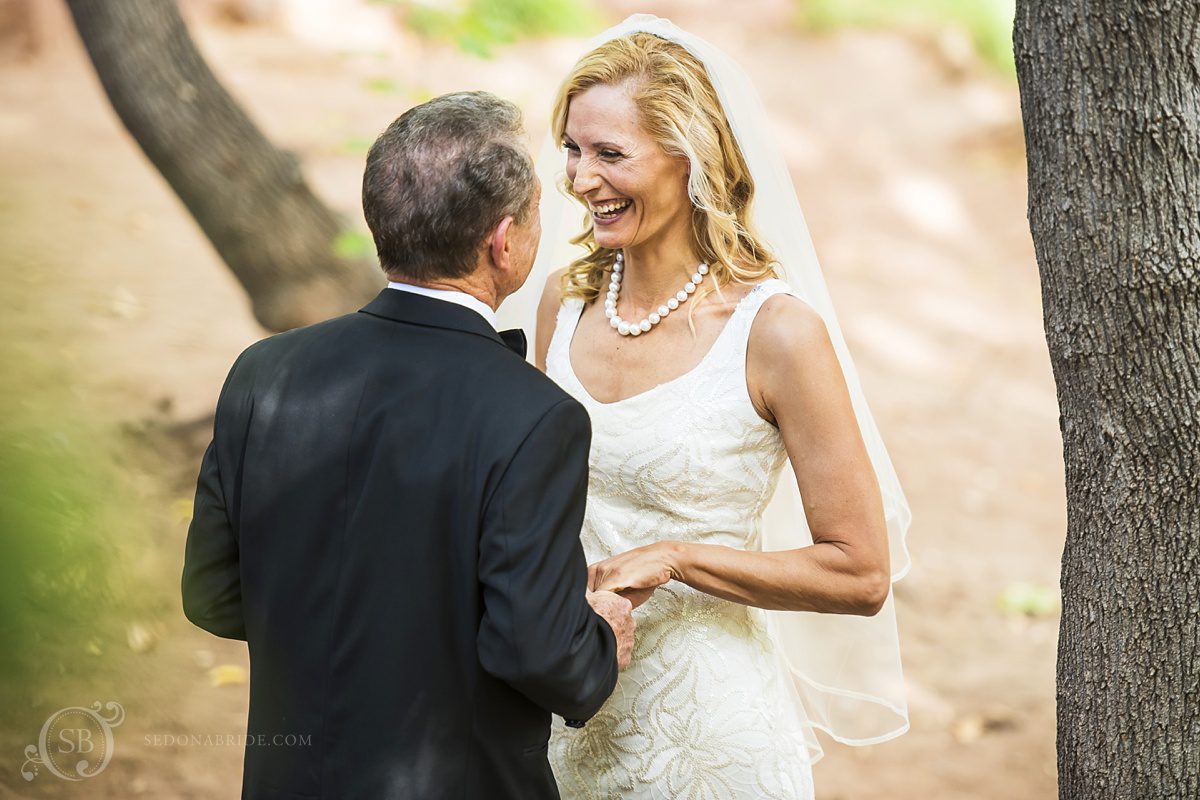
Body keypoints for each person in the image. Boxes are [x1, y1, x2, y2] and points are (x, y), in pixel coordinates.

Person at [181, 91, 635, 800]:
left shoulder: (262, 372)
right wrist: (601, 635)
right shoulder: (534, 415)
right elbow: (537, 651)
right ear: (503, 239)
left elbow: (212, 593)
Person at [511, 15, 914, 799]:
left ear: (690, 159)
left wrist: (677, 557)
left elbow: (862, 573)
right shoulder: (563, 303)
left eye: (610, 154)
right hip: (566, 717)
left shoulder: (777, 333)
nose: (580, 179)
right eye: (571, 147)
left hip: (710, 738)